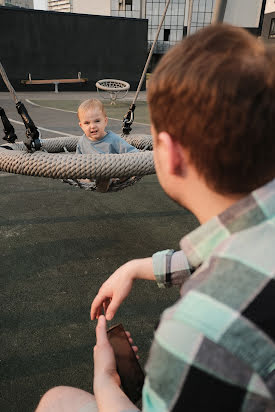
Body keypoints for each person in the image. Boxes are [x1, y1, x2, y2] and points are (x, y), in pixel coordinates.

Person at [36, 24, 275, 412]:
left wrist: (106, 381)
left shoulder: (194, 329)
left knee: (56, 401)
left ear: (169, 152)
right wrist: (136, 267)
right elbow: (235, 255)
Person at [76, 98, 139, 192]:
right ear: (81, 126)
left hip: (112, 172)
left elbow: (133, 152)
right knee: (79, 176)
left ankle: (108, 181)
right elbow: (76, 162)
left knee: (125, 172)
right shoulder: (82, 141)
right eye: (87, 123)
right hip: (92, 174)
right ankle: (98, 182)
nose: (92, 126)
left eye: (97, 121)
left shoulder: (113, 139)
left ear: (105, 121)